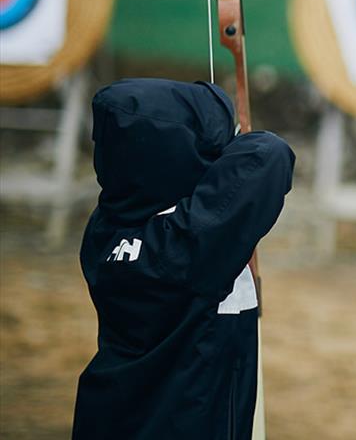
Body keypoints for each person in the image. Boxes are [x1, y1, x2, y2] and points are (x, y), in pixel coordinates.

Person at [73, 78, 295, 440]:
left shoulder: (107, 225)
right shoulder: (186, 246)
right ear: (175, 154)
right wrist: (225, 138)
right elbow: (268, 154)